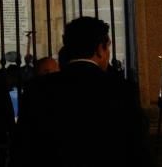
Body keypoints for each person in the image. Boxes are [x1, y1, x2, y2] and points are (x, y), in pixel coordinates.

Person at [12, 16, 151, 167]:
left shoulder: (37, 89)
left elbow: (23, 146)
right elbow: (137, 147)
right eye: (108, 47)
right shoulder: (121, 89)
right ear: (100, 49)